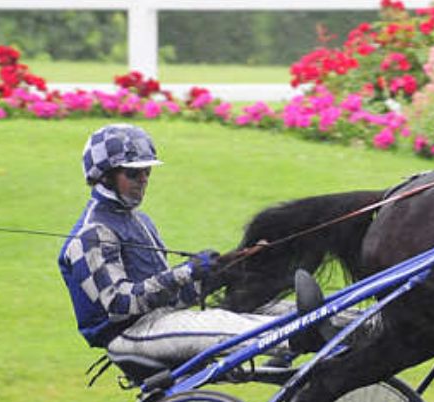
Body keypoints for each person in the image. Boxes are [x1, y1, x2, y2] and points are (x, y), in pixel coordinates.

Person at [57, 123, 291, 364]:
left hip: (162, 320)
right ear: (104, 176)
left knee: (272, 310)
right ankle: (296, 341)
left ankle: (314, 335)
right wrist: (186, 272)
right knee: (224, 324)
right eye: (133, 173)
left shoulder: (140, 221)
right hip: (131, 334)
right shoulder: (92, 233)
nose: (143, 179)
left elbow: (169, 298)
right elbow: (120, 304)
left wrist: (224, 269)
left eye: (147, 171)